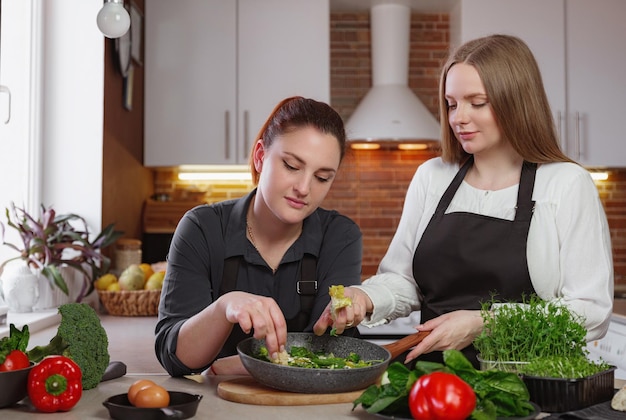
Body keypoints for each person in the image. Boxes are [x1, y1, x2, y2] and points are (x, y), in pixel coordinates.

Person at [314, 34, 614, 367]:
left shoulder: (566, 184)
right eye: (452, 103)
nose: (458, 117)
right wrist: (365, 296)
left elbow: (590, 313)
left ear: (515, 101)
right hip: (433, 384)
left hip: (527, 387)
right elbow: (404, 280)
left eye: (477, 102)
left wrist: (484, 324)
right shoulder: (433, 176)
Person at [155, 96, 363, 376]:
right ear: (260, 156)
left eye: (322, 177)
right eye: (291, 166)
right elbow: (176, 356)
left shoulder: (340, 236)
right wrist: (224, 307)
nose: (304, 188)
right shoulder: (202, 229)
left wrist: (239, 365)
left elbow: (330, 354)